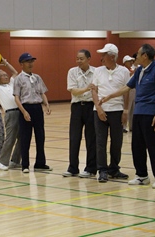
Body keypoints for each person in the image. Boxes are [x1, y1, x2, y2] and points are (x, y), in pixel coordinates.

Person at [101, 43, 155, 188]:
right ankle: (142, 175)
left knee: (154, 146)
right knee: (137, 145)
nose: (135, 56)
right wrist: (109, 96)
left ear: (145, 56)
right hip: (138, 112)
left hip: (151, 113)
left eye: (137, 54)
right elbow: (127, 87)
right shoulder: (139, 71)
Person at [91, 43, 130, 183]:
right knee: (100, 141)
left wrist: (125, 110)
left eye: (104, 55)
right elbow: (94, 90)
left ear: (112, 57)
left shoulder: (124, 71)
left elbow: (127, 91)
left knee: (117, 141)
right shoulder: (98, 71)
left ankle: (114, 168)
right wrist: (98, 108)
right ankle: (102, 170)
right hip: (100, 111)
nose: (101, 58)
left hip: (117, 110)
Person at [13, 53, 52, 173]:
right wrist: (24, 111)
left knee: (40, 136)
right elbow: (17, 98)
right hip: (26, 108)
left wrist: (46, 104)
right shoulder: (18, 79)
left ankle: (40, 163)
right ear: (21, 64)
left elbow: (42, 92)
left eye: (32, 61)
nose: (31, 64)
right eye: (28, 61)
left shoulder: (37, 77)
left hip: (37, 109)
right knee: (26, 137)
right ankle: (25, 164)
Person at [62, 49, 96, 178]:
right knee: (74, 137)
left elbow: (97, 89)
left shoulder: (96, 72)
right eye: (77, 58)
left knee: (91, 138)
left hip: (91, 106)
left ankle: (91, 168)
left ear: (88, 58)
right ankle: (73, 168)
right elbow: (73, 91)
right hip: (77, 107)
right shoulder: (72, 71)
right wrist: (87, 88)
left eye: (81, 58)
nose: (78, 61)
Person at [0, 56, 22, 171]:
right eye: (3, 75)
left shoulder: (11, 84)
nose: (6, 75)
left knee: (22, 138)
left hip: (20, 112)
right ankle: (3, 161)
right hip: (10, 114)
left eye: (6, 74)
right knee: (10, 138)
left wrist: (5, 63)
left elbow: (15, 72)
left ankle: (16, 161)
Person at [122, 55, 136, 133]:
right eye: (129, 61)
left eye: (131, 61)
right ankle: (124, 126)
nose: (131, 62)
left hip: (134, 90)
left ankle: (132, 126)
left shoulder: (132, 69)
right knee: (127, 107)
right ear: (125, 62)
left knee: (133, 109)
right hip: (127, 90)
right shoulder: (124, 70)